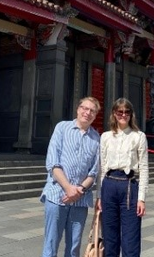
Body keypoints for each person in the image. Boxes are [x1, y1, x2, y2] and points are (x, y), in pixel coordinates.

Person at [40, 97, 101, 257]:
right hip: (56, 196)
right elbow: (52, 163)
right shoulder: (62, 128)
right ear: (78, 109)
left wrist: (78, 191)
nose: (87, 113)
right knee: (50, 245)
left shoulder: (96, 139)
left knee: (74, 248)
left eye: (92, 111)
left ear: (95, 115)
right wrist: (68, 188)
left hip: (80, 200)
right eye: (84, 108)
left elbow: (93, 173)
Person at [96, 98, 149, 257]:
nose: (123, 115)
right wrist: (99, 195)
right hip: (109, 184)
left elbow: (144, 168)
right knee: (109, 236)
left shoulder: (139, 136)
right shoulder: (105, 136)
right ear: (114, 113)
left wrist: (142, 198)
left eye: (127, 112)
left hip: (129, 186)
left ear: (131, 114)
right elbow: (102, 167)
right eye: (120, 112)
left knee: (130, 237)